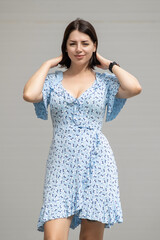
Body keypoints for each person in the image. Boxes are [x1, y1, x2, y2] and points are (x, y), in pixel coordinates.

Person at [23, 18, 142, 240]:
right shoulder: (51, 81)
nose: (79, 49)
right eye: (72, 43)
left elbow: (135, 87)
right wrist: (47, 64)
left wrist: (110, 65)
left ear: (95, 46)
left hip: (96, 162)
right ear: (65, 47)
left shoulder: (105, 82)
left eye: (85, 43)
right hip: (61, 163)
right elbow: (29, 94)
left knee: (90, 238)